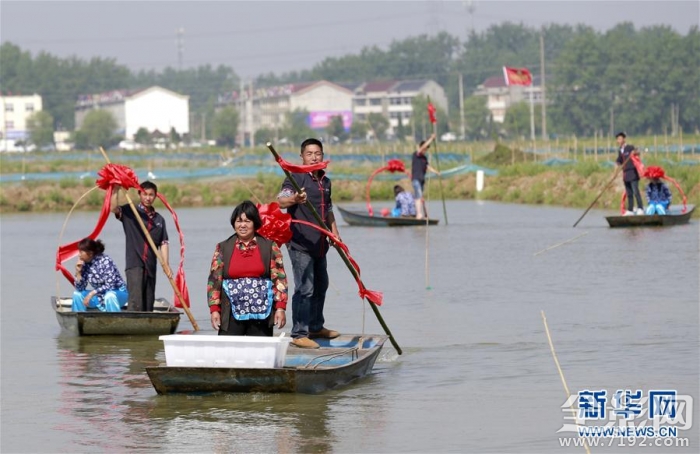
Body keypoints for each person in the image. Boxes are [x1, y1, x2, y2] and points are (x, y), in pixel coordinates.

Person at [278, 138, 340, 349]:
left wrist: (335, 233)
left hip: (320, 243)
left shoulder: (326, 182)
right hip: (300, 242)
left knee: (321, 285)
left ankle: (315, 326)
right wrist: (295, 199)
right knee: (305, 288)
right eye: (310, 153)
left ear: (323, 156)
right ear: (302, 156)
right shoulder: (295, 178)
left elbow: (329, 210)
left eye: (318, 153)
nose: (314, 157)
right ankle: (299, 333)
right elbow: (281, 200)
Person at [207, 201, 288, 336]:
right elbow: (214, 282)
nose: (242, 225)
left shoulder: (270, 247)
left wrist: (280, 308)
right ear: (234, 223)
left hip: (262, 312)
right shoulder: (223, 248)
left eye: (247, 221)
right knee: (229, 353)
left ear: (255, 223)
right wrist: (214, 309)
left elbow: (279, 279)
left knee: (261, 353)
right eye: (239, 221)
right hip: (231, 311)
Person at [110, 181, 172, 312]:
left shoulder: (159, 220)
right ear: (140, 194)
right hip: (135, 264)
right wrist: (115, 190)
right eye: (145, 194)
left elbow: (164, 243)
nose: (148, 198)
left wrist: (166, 264)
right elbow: (113, 208)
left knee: (148, 302)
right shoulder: (130, 211)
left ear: (155, 196)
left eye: (151, 195)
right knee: (136, 302)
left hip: (150, 265)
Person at [71, 238, 128, 312]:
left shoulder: (105, 260)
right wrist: (78, 272)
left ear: (90, 253)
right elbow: (80, 288)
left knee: (109, 296)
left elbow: (110, 285)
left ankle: (115, 321)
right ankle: (79, 320)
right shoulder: (85, 264)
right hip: (99, 296)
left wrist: (92, 293)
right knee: (77, 294)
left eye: (81, 252)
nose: (79, 255)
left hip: (117, 293)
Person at [411, 133, 440, 219]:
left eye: (426, 150)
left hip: (422, 179)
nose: (425, 151)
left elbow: (427, 166)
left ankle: (421, 214)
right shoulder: (416, 154)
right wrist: (431, 139)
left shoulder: (424, 158)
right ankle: (419, 214)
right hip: (416, 179)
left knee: (419, 196)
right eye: (425, 149)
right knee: (418, 195)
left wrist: (436, 172)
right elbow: (423, 147)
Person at [615, 132, 644, 215]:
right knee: (629, 193)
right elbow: (619, 160)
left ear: (624, 139)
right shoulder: (620, 150)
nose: (619, 140)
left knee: (635, 191)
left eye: (620, 139)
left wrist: (634, 152)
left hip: (633, 173)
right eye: (617, 139)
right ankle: (630, 210)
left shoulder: (630, 147)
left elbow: (637, 152)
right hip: (625, 174)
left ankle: (640, 208)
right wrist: (617, 164)